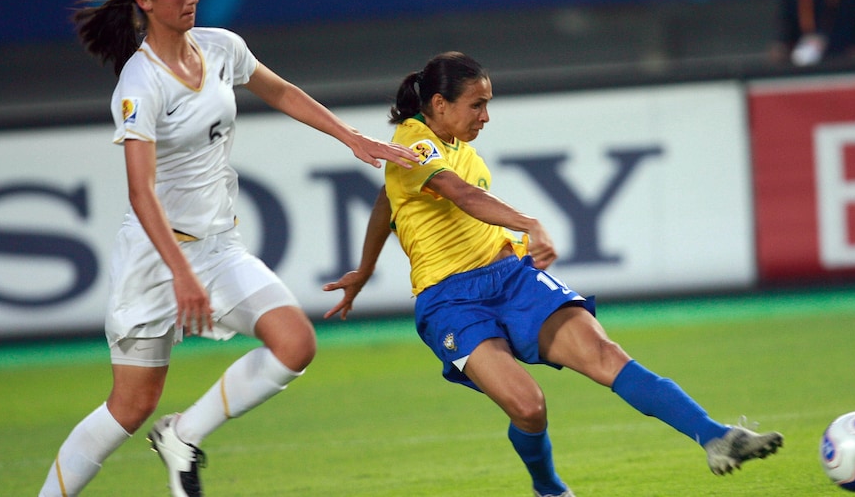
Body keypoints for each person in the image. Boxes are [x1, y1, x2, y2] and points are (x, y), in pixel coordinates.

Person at [323, 51, 784, 496]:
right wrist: (529, 223)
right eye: (477, 105)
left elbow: (386, 200)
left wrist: (364, 270)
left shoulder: (451, 146)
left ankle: (717, 437)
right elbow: (461, 194)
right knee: (528, 407)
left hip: (510, 276)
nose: (486, 116)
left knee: (604, 354)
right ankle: (548, 489)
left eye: (487, 104)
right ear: (440, 104)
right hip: (451, 301)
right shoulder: (412, 141)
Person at [38, 0, 418, 496]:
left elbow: (279, 90)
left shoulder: (221, 47)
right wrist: (180, 275)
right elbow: (141, 193)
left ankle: (182, 435)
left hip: (219, 247)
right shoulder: (140, 83)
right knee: (130, 406)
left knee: (295, 343)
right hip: (156, 259)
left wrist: (350, 136)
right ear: (144, 0)